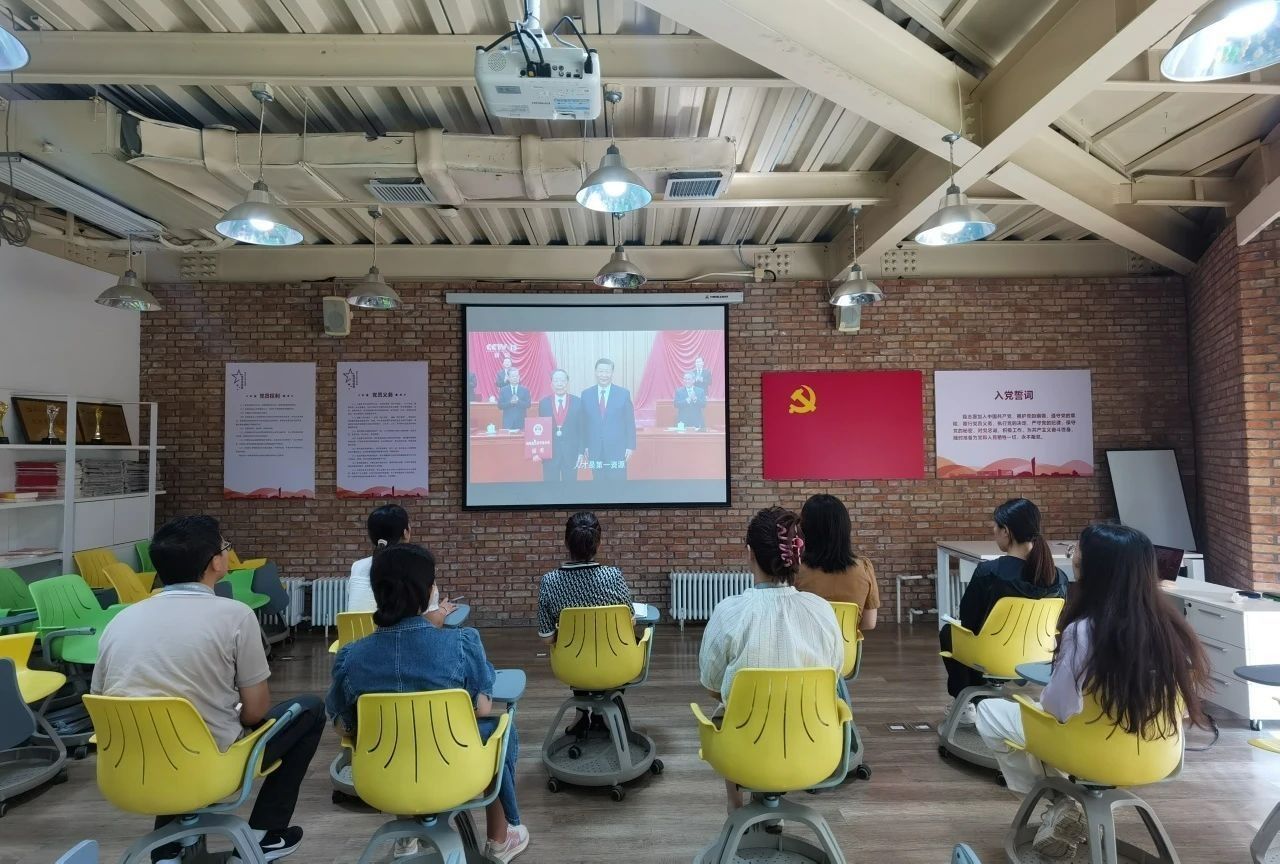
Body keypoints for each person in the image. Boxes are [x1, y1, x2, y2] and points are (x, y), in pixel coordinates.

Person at [92, 516, 325, 864]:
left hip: (126, 772)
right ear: (215, 562)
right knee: (309, 710)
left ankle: (169, 848)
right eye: (225, 547)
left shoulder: (120, 620)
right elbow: (256, 712)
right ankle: (264, 834)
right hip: (208, 768)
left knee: (165, 727)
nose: (227, 552)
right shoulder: (235, 616)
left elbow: (102, 699)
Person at [975, 523, 1209, 859]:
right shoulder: (1174, 631)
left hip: (1087, 750)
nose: (1073, 556)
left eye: (1077, 550)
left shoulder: (1083, 631)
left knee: (990, 712)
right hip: (1156, 754)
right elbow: (1181, 708)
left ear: (1093, 566)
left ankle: (1060, 803)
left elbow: (1057, 708)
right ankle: (1064, 807)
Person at [327, 544, 529, 863]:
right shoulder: (462, 642)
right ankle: (499, 840)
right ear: (428, 592)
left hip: (384, 779)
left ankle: (406, 837)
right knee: (503, 731)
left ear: (378, 593)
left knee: (397, 737)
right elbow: (483, 708)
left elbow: (342, 724)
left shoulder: (351, 657)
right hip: (457, 768)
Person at [698, 506, 844, 813]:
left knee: (726, 711)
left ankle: (735, 804)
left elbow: (712, 686)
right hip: (814, 744)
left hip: (743, 748)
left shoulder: (729, 612)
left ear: (749, 554)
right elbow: (835, 675)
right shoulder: (822, 611)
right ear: (797, 555)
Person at [941, 498, 1068, 720]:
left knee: (950, 633)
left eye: (995, 527)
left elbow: (968, 621)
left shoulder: (989, 572)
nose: (993, 531)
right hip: (1037, 656)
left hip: (990, 655)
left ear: (1006, 531)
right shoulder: (1058, 577)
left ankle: (968, 702)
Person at [537, 511, 635, 736]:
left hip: (572, 664)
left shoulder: (549, 582)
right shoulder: (613, 576)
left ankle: (582, 712)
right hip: (617, 661)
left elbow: (547, 638)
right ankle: (602, 712)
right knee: (616, 646)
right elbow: (629, 623)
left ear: (566, 542)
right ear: (598, 543)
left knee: (579, 649)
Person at [346, 505, 455, 626]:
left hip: (354, 636)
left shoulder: (357, 567)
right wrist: (443, 610)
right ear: (405, 532)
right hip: (397, 636)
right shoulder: (418, 566)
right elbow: (433, 624)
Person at [795, 493, 880, 631]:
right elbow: (869, 623)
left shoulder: (795, 571)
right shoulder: (864, 568)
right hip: (847, 645)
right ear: (845, 528)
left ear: (806, 530)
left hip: (807, 644)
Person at [580, 357, 636, 481]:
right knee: (598, 485)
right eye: (601, 371)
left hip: (618, 449)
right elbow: (583, 424)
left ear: (612, 373)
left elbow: (630, 422)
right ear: (595, 372)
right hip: (594, 449)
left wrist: (630, 446)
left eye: (607, 372)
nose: (603, 375)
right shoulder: (586, 394)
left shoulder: (623, 393)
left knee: (618, 485)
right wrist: (585, 446)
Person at [537, 369, 585, 484]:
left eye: (563, 380)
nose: (559, 384)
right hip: (550, 455)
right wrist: (539, 451)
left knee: (570, 489)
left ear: (567, 383)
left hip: (571, 454)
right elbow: (541, 430)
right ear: (551, 383)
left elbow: (582, 430)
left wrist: (581, 452)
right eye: (556, 380)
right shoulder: (544, 403)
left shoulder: (578, 402)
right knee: (550, 488)